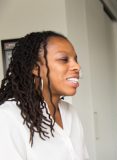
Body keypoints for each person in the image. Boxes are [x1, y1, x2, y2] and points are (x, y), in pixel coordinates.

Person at [0, 31, 88, 160]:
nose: (77, 66)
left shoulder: (71, 112)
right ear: (36, 68)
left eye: (75, 59)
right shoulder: (7, 117)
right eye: (64, 60)